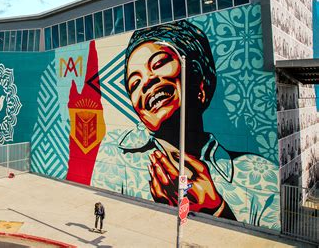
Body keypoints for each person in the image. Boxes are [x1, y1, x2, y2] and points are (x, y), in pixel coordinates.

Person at [119, 21, 279, 227]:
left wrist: (217, 209)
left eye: (159, 64)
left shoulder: (261, 174)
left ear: (199, 79)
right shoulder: (118, 159)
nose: (147, 82)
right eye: (135, 83)